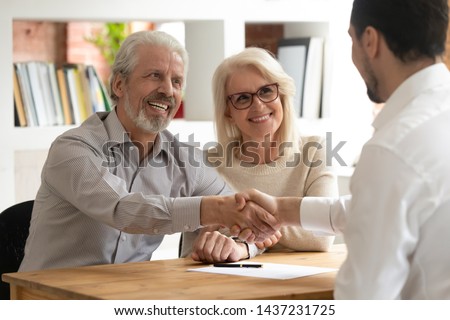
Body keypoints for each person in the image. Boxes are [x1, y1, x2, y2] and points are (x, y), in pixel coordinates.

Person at [236, 0, 450, 299]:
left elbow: (362, 300)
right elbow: (376, 207)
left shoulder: (392, 149)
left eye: (351, 39)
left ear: (370, 41)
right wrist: (283, 209)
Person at [19, 30, 279, 272]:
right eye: (154, 75)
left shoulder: (185, 161)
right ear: (119, 85)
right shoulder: (73, 149)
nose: (167, 90)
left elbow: (246, 220)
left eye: (176, 81)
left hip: (127, 298)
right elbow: (123, 209)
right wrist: (216, 209)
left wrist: (242, 245)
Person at [180, 47, 338, 262]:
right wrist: (285, 226)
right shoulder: (205, 164)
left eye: (266, 91)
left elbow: (322, 234)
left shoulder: (314, 151)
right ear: (228, 111)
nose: (258, 105)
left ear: (281, 94)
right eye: (243, 98)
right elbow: (193, 251)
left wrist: (245, 239)